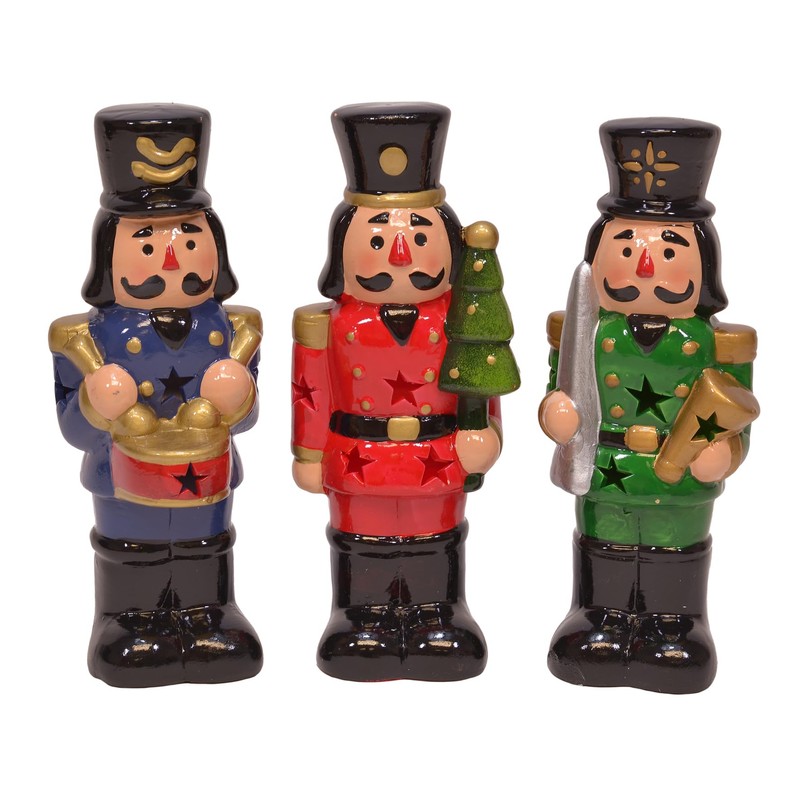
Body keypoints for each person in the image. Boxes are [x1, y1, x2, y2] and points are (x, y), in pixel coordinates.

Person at [292, 103, 517, 681]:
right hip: (357, 455)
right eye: (378, 240)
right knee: (360, 540)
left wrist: (486, 431)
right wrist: (308, 453)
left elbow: (481, 375)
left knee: (435, 538)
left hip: (436, 454)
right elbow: (311, 390)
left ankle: (438, 613)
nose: (399, 255)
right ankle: (359, 615)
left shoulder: (458, 320)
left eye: (419, 237)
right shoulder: (328, 325)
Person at [539, 118, 759, 693]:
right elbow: (561, 384)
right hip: (608, 464)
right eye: (626, 247)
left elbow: (739, 407)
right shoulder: (586, 331)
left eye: (668, 250)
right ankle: (600, 617)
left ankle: (676, 624)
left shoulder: (717, 343)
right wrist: (556, 412)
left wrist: (726, 450)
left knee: (673, 547)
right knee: (604, 545)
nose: (644, 266)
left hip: (678, 470)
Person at [49, 104, 262, 687]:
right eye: (146, 243)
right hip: (123, 472)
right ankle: (128, 617)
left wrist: (238, 395)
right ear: (107, 255)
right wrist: (95, 403)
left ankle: (208, 612)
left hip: (206, 467)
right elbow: (72, 429)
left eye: (189, 239)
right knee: (131, 546)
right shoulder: (87, 338)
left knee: (206, 543)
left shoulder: (230, 328)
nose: (171, 258)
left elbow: (247, 416)